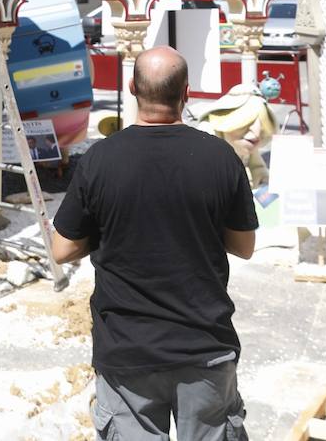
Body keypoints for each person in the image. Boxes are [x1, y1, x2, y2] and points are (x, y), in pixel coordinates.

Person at [51, 46, 255, 441]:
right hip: (204, 348)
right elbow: (243, 245)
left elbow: (62, 249)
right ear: (186, 93)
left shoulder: (99, 160)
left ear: (132, 88)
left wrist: (108, 228)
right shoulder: (220, 157)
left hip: (128, 352)